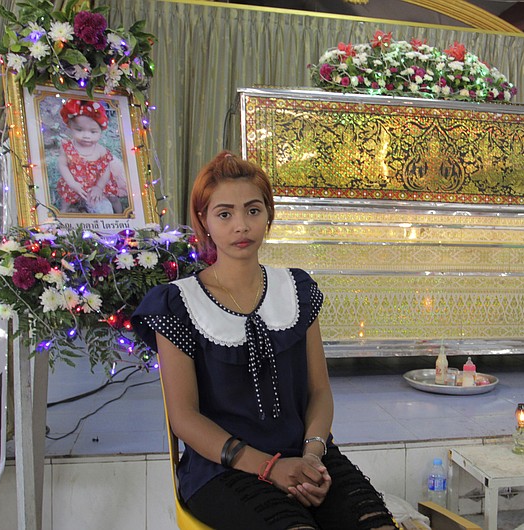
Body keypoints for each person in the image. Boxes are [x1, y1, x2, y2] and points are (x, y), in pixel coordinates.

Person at [131, 152, 396, 530]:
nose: (241, 225)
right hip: (222, 468)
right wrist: (269, 468)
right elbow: (184, 418)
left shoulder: (297, 289)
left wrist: (312, 456)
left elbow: (319, 391)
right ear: (204, 220)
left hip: (305, 452)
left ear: (268, 215)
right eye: (225, 214)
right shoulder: (176, 303)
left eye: (253, 210)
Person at [56, 98, 127, 214]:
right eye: (79, 130)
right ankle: (63, 214)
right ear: (70, 127)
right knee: (67, 198)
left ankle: (121, 214)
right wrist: (73, 183)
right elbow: (62, 165)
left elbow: (106, 170)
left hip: (98, 182)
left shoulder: (101, 150)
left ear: (100, 131)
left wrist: (99, 187)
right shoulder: (67, 147)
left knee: (113, 197)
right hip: (75, 182)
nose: (86, 136)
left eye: (93, 132)